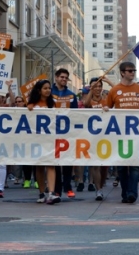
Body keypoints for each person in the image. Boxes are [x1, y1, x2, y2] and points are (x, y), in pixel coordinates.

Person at [104, 62, 139, 203]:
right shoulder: (114, 90)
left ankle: (132, 193)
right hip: (119, 134)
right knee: (122, 167)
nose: (132, 73)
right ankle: (124, 192)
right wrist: (105, 109)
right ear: (122, 73)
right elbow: (107, 109)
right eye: (129, 71)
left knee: (134, 166)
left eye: (133, 70)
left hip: (136, 133)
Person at [27, 79, 61, 205]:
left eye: (49, 88)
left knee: (51, 164)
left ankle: (51, 193)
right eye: (45, 88)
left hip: (50, 139)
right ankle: (42, 193)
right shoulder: (32, 105)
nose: (48, 91)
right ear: (39, 90)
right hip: (36, 140)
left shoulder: (54, 104)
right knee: (39, 166)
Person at [51, 68, 78, 198]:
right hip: (52, 132)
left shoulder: (72, 95)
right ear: (56, 77)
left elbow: (76, 114)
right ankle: (57, 189)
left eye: (66, 78)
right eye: (62, 77)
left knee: (67, 161)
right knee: (55, 161)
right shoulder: (48, 92)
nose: (64, 79)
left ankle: (68, 187)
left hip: (67, 133)